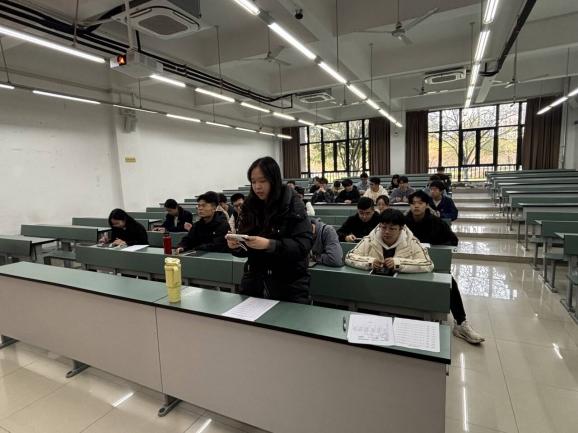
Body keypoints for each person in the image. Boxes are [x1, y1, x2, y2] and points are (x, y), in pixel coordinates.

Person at [227, 157, 313, 303]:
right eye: (253, 182)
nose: (257, 187)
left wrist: (269, 244)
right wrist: (236, 245)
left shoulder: (292, 204)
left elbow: (303, 245)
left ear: (274, 180)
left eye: (262, 181)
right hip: (254, 282)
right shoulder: (250, 205)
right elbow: (247, 247)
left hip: (289, 285)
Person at [405, 190, 484, 344]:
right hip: (407, 263)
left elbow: (453, 241)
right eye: (413, 203)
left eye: (420, 203)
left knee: (450, 283)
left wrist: (433, 247)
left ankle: (460, 323)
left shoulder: (436, 222)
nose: (416, 206)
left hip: (432, 263)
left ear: (426, 205)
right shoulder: (403, 222)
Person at [345, 209, 433, 273]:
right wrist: (370, 262)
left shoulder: (412, 242)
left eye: (392, 228)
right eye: (383, 227)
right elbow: (349, 257)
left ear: (401, 228)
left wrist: (398, 264)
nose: (387, 232)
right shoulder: (369, 239)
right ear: (380, 225)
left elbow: (428, 264)